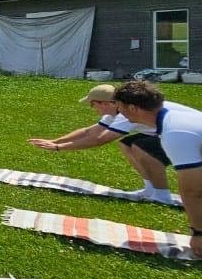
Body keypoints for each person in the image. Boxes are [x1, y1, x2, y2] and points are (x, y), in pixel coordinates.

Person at [27, 84, 173, 201]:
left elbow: (99, 139)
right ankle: (150, 189)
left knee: (140, 147)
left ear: (105, 103)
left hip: (176, 137)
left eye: (93, 104)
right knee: (126, 144)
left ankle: (162, 195)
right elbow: (89, 132)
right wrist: (55, 141)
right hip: (165, 134)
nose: (93, 109)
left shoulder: (125, 114)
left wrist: (59, 147)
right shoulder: (116, 112)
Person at [112, 81, 202, 256]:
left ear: (133, 108)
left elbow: (192, 191)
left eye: (119, 107)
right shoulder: (171, 116)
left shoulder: (175, 133)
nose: (118, 111)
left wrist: (198, 233)